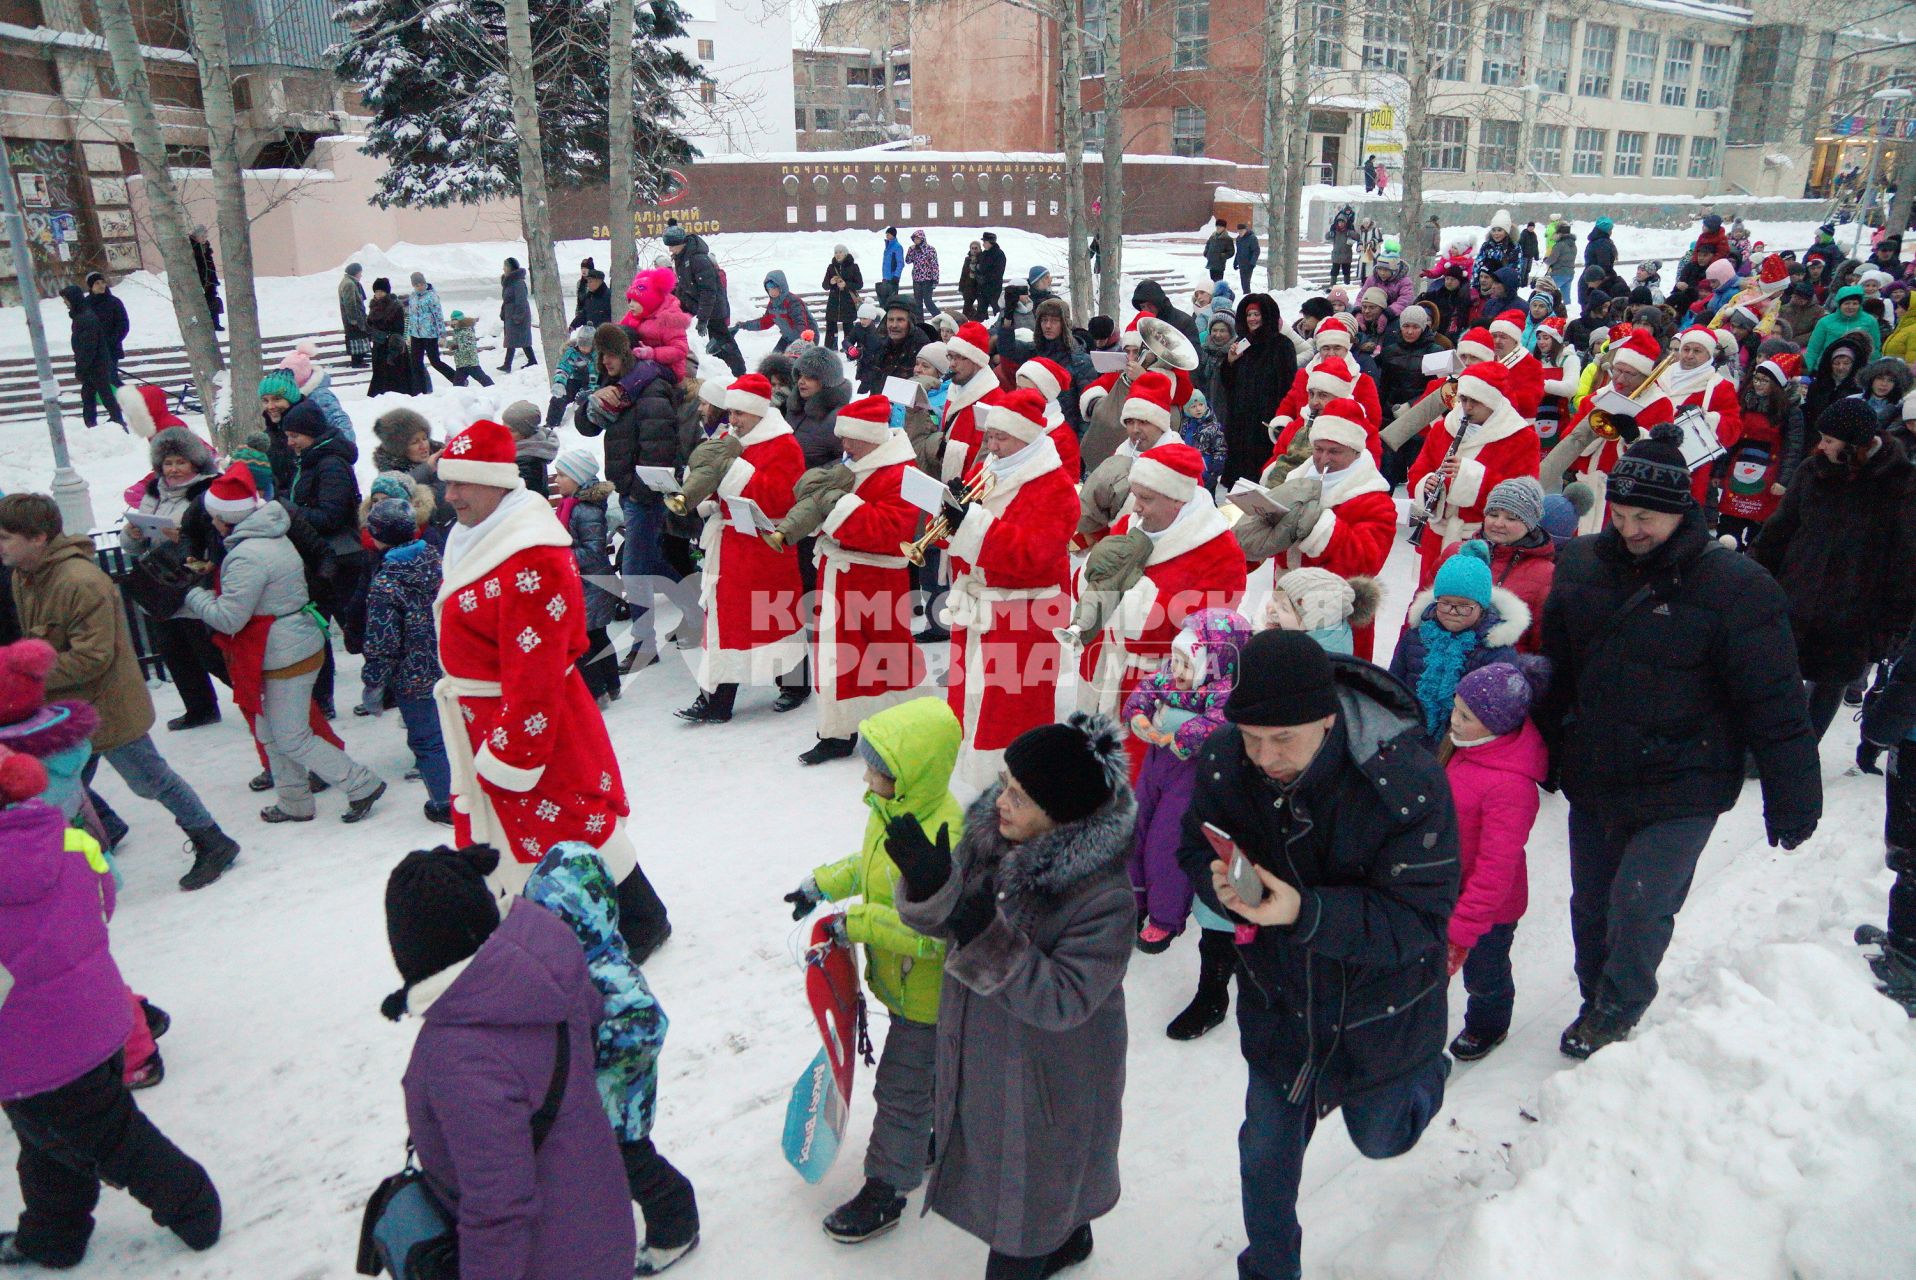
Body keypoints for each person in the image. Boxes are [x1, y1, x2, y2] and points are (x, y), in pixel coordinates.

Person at [1176, 630, 1456, 1280]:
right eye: (1251, 738)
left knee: (1383, 1139)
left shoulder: (1406, 781)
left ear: (1327, 718)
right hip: (1283, 1006)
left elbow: (1418, 920)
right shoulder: (1228, 760)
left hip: (1379, 1015)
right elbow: (1197, 842)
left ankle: (1426, 1075)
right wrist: (1217, 883)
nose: (1264, 756)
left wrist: (1304, 910)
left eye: (1283, 740)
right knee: (1263, 1157)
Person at [1536, 424, 1822, 1058]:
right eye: (1622, 513)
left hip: (1686, 779)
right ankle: (1594, 993)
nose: (1632, 529)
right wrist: (1547, 753)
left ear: (1682, 512)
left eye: (1648, 517)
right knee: (1592, 906)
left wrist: (1793, 795)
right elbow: (1559, 673)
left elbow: (1773, 703)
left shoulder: (1737, 589)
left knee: (1639, 906)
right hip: (1601, 769)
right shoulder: (1581, 566)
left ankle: (1616, 1008)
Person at [891, 713, 1135, 1280]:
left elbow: (1064, 999)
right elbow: (955, 923)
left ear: (1061, 815)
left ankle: (1051, 1242)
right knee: (1044, 1181)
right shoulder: (992, 842)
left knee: (1030, 1199)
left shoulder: (1103, 898)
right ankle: (1071, 1237)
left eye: (1019, 797)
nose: (1001, 801)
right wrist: (933, 889)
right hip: (988, 1055)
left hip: (1054, 1078)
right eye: (1004, 784)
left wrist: (982, 935)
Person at [0, 765, 221, 1269]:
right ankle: (54, 1236)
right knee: (48, 1143)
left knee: (112, 1141)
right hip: (94, 1017)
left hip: (31, 1049)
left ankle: (194, 1205)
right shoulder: (61, 836)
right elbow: (105, 902)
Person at [382, 845, 637, 1280]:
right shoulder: (549, 961)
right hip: (601, 1216)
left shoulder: (458, 1060)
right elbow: (590, 1019)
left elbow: (499, 1208)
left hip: (549, 1260)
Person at [783, 697, 961, 1241]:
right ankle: (934, 1135)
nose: (865, 776)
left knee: (901, 1089)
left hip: (931, 998)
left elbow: (934, 939)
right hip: (904, 987)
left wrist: (856, 923)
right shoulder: (893, 812)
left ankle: (887, 1187)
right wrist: (823, 883)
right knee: (932, 1077)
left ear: (912, 773)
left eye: (876, 769)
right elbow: (872, 867)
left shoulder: (944, 838)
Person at [0, 493, 239, 885]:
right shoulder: (24, 577)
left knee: (151, 780)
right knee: (64, 787)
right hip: (68, 712)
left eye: (7, 536)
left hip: (106, 710)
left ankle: (212, 841)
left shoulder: (80, 582)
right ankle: (88, 852)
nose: (0, 545)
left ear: (38, 537)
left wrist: (22, 673)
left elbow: (93, 657)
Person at [522, 842, 700, 1275]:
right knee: (602, 1166)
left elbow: (648, 1023)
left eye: (555, 919)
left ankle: (676, 1227)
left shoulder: (607, 970)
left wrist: (595, 1050)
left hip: (620, 1102)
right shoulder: (576, 958)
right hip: (590, 1099)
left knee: (634, 1165)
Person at [185, 464, 386, 825]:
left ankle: (360, 783)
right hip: (292, 642)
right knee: (270, 730)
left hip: (279, 652)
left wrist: (193, 597)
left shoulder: (246, 555)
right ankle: (294, 800)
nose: (211, 523)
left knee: (292, 737)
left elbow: (229, 617)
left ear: (226, 519)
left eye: (214, 517)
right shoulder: (272, 536)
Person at [1751, 398, 1916, 743]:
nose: (1820, 446)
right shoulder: (1813, 470)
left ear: (1854, 444)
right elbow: (1780, 530)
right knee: (1776, 676)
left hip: (1855, 609)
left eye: (1828, 440)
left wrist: (1895, 622)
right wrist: (1752, 575)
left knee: (1829, 683)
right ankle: (1765, 746)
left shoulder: (1899, 483)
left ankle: (1803, 750)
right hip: (1797, 594)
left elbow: (1904, 558)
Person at [937, 393, 1076, 790]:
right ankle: (976, 782)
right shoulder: (988, 468)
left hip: (1023, 615)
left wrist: (973, 525)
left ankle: (1018, 786)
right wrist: (951, 516)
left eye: (1001, 438)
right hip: (980, 606)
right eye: (990, 436)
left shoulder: (1055, 486)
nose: (991, 446)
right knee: (972, 702)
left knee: (1010, 710)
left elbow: (1035, 555)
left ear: (1027, 438)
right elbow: (966, 542)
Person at [790, 397, 926, 764]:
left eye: (851, 439)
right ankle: (837, 732)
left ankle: (903, 727)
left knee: (885, 654)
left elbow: (892, 531)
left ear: (873, 438)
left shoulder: (902, 473)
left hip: (877, 580)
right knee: (837, 657)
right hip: (842, 574)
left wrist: (836, 510)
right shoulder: (854, 464)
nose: (844, 447)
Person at [676, 376, 809, 724]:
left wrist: (732, 470)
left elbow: (783, 497)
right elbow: (719, 481)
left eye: (739, 413)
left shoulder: (784, 446)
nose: (732, 420)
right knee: (726, 623)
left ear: (757, 413)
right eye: (731, 412)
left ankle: (795, 684)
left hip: (765, 547)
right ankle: (715, 699)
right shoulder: (734, 439)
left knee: (774, 618)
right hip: (732, 544)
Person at [1123, 606, 1249, 955]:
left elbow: (1216, 723)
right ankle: (1133, 898)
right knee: (1137, 825)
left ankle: (1165, 916)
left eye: (1185, 664)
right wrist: (1138, 715)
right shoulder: (1171, 675)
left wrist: (1178, 736)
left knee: (1168, 841)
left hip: (1190, 777)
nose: (1175, 671)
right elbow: (1145, 689)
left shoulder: (1226, 690)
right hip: (1154, 766)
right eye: (1174, 660)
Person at [1441, 659, 1549, 1061]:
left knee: (1484, 973)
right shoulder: (1464, 748)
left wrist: (1464, 927)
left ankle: (1489, 1023)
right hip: (1444, 888)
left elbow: (1496, 868)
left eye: (1465, 715)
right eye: (1455, 707)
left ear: (1497, 723)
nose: (1453, 719)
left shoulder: (1511, 786)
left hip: (1488, 909)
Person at [120, 424, 224, 731]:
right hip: (160, 585)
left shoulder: (209, 491)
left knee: (209, 651)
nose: (174, 469)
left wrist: (184, 537)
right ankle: (199, 707)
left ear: (195, 463)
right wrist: (133, 534)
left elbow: (216, 536)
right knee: (174, 651)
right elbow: (133, 546)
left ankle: (251, 695)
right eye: (168, 463)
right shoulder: (153, 492)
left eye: (180, 462)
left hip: (193, 581)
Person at [1407, 359, 1541, 589]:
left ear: (1492, 402)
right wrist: (1425, 483)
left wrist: (1470, 476)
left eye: (1475, 402)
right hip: (1437, 534)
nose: (1466, 407)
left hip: (1483, 539)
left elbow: (1523, 495)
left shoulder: (1521, 437)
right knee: (1427, 599)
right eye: (1464, 399)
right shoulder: (1443, 428)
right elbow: (1419, 469)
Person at [359, 498, 452, 824]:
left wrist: (373, 682)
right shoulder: (438, 560)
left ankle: (446, 803)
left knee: (428, 741)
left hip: (414, 676)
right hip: (452, 662)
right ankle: (473, 791)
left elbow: (382, 640)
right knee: (459, 732)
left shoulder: (385, 582)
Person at [1389, 541, 1527, 744]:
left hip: (1460, 744)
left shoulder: (1495, 650)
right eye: (1445, 604)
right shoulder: (1415, 637)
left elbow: (1497, 710)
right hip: (1409, 735)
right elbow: (1394, 683)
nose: (1453, 613)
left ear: (1482, 607)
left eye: (1464, 606)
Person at [1718, 354, 1805, 548]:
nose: (1758, 384)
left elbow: (1793, 448)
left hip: (1770, 476)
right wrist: (1720, 471)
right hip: (1737, 470)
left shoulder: (1790, 411)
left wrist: (1784, 481)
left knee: (1759, 530)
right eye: (1756, 379)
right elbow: (1731, 440)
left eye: (1764, 380)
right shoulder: (1743, 403)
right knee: (1728, 523)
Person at [1469, 476, 1554, 653]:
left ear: (1529, 523)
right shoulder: (1457, 553)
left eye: (1512, 518)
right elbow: (1418, 616)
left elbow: (1542, 643)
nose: (1499, 523)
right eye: (1493, 514)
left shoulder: (1545, 575)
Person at [664, 224, 742, 376]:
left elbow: (708, 291)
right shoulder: (681, 258)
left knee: (723, 342)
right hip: (695, 304)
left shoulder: (698, 259)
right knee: (717, 342)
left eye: (672, 246)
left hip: (713, 308)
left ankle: (739, 373)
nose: (670, 249)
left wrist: (703, 319)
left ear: (682, 243)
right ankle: (726, 369)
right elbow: (685, 285)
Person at [60, 285, 122, 429]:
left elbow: (88, 347)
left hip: (95, 366)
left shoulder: (85, 318)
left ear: (73, 300)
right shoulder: (81, 316)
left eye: (66, 300)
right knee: (89, 395)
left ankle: (116, 420)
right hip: (93, 365)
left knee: (104, 395)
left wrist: (81, 367)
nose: (65, 303)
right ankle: (94, 424)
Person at [404, 271, 458, 391]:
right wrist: (408, 334)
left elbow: (438, 316)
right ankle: (420, 389)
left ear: (425, 283)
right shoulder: (412, 297)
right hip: (416, 335)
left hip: (430, 334)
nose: (420, 287)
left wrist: (442, 335)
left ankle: (457, 379)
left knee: (435, 361)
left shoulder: (432, 296)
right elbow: (411, 316)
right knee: (416, 363)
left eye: (421, 284)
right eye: (417, 285)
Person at [365, 276, 413, 397]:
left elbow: (399, 328)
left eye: (381, 291)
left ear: (387, 292)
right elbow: (370, 323)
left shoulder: (395, 307)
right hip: (378, 345)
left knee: (394, 374)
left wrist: (388, 337)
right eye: (376, 292)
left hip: (392, 345)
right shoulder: (374, 306)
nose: (378, 294)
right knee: (379, 373)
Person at [495, 256, 535, 371]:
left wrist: (518, 316)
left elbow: (521, 301)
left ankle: (529, 361)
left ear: (510, 268)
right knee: (513, 339)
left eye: (505, 266)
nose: (503, 268)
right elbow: (507, 300)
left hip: (518, 315)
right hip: (511, 315)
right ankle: (508, 364)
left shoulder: (518, 283)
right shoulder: (510, 282)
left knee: (519, 339)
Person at [822, 244, 864, 350]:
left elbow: (859, 284)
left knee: (848, 326)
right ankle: (831, 347)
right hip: (834, 302)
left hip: (848, 302)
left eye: (840, 252)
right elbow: (824, 286)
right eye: (836, 252)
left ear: (845, 253)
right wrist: (831, 282)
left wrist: (846, 284)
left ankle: (848, 348)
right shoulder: (831, 267)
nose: (838, 254)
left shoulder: (853, 267)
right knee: (831, 325)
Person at [444, 311, 493, 388]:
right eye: (452, 320)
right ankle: (458, 397)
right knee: (457, 384)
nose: (453, 322)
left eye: (455, 320)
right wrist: (448, 345)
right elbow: (457, 343)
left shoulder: (467, 331)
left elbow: (469, 346)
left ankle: (492, 388)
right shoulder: (457, 331)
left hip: (470, 362)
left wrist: (455, 346)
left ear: (460, 320)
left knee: (482, 378)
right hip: (461, 363)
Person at [188, 227, 221, 330]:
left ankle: (215, 324)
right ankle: (202, 324)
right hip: (199, 280)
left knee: (213, 301)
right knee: (200, 303)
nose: (204, 238)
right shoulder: (192, 247)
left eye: (206, 236)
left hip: (210, 280)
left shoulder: (206, 247)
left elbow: (210, 265)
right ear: (195, 236)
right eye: (202, 236)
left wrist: (213, 279)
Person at [338, 262, 369, 367]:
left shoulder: (350, 282)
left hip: (355, 317)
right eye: (360, 272)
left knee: (358, 338)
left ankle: (359, 359)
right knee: (356, 338)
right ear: (355, 273)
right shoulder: (349, 284)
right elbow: (350, 303)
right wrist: (354, 320)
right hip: (353, 319)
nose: (361, 275)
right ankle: (357, 361)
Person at [905, 230, 940, 318]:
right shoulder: (913, 250)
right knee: (917, 303)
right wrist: (910, 251)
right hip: (917, 279)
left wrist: (935, 279)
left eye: (918, 238)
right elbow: (908, 261)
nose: (916, 241)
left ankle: (938, 317)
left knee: (928, 301)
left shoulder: (930, 249)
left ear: (922, 239)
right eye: (914, 239)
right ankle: (919, 322)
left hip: (927, 279)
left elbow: (934, 264)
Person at [974, 232, 1006, 319]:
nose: (983, 244)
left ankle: (999, 326)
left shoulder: (999, 254)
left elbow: (998, 272)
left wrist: (985, 278)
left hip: (993, 288)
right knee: (981, 312)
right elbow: (978, 267)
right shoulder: (984, 254)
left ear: (990, 242)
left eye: (984, 242)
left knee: (997, 310)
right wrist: (978, 274)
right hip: (982, 288)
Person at [879, 225, 905, 308]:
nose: (887, 236)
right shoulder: (887, 246)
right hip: (886, 277)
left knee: (892, 301)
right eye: (886, 234)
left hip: (893, 278)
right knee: (884, 301)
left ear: (893, 235)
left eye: (888, 234)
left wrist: (896, 276)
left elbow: (900, 263)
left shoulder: (897, 247)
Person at [1203, 217, 1234, 284]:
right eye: (1217, 226)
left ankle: (1218, 293)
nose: (1218, 228)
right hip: (1211, 263)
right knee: (1212, 281)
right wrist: (1206, 253)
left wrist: (1223, 255)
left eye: (1220, 227)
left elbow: (1231, 252)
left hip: (1219, 264)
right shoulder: (1213, 236)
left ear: (1224, 228)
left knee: (1218, 282)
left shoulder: (1227, 239)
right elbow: (1208, 245)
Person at [1234, 222, 1260, 295]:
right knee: (1243, 282)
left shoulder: (1252, 238)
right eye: (1239, 231)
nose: (1240, 232)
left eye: (1242, 231)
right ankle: (1246, 295)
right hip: (1241, 264)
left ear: (1245, 230)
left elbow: (1256, 251)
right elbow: (1238, 251)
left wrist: (1252, 263)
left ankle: (1247, 296)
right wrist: (1235, 262)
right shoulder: (1238, 239)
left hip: (1249, 264)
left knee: (1246, 282)